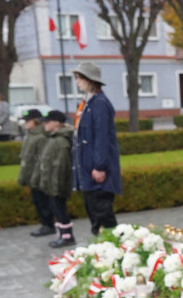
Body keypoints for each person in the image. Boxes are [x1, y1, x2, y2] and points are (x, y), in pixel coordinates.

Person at [71, 61, 121, 235]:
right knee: (94, 213)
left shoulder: (99, 104)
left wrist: (99, 166)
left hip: (97, 172)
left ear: (90, 80)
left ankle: (111, 251)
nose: (77, 82)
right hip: (88, 170)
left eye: (80, 78)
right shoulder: (89, 103)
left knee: (102, 216)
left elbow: (101, 138)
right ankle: (102, 251)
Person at [34, 110, 76, 248]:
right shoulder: (53, 138)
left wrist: (55, 185)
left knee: (60, 209)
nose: (44, 124)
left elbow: (60, 166)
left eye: (47, 122)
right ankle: (62, 234)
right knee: (55, 208)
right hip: (51, 183)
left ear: (57, 123)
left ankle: (67, 236)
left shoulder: (61, 141)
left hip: (56, 184)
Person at [17, 109, 55, 237]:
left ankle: (48, 225)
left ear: (36, 121)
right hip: (32, 175)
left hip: (39, 176)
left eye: (28, 121)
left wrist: (37, 176)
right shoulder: (30, 135)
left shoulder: (41, 137)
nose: (25, 123)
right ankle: (44, 223)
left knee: (43, 201)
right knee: (37, 201)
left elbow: (42, 159)